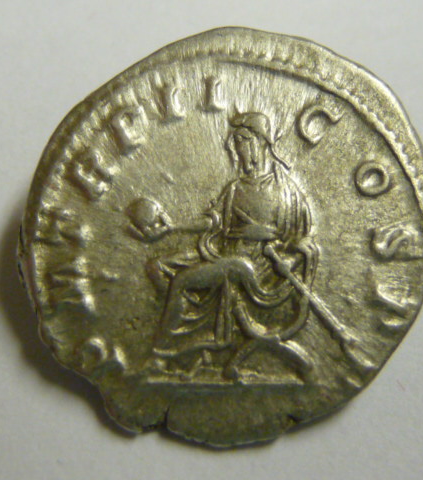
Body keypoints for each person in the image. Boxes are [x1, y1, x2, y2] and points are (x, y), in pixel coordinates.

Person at [131, 112, 318, 380]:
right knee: (158, 266)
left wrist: (275, 240)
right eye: (236, 143)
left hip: (260, 269)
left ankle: (163, 355)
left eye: (241, 142)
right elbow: (213, 222)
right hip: (226, 255)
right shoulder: (235, 188)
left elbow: (304, 239)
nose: (237, 151)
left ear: (258, 143)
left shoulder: (287, 192)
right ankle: (199, 341)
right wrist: (173, 227)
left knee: (183, 280)